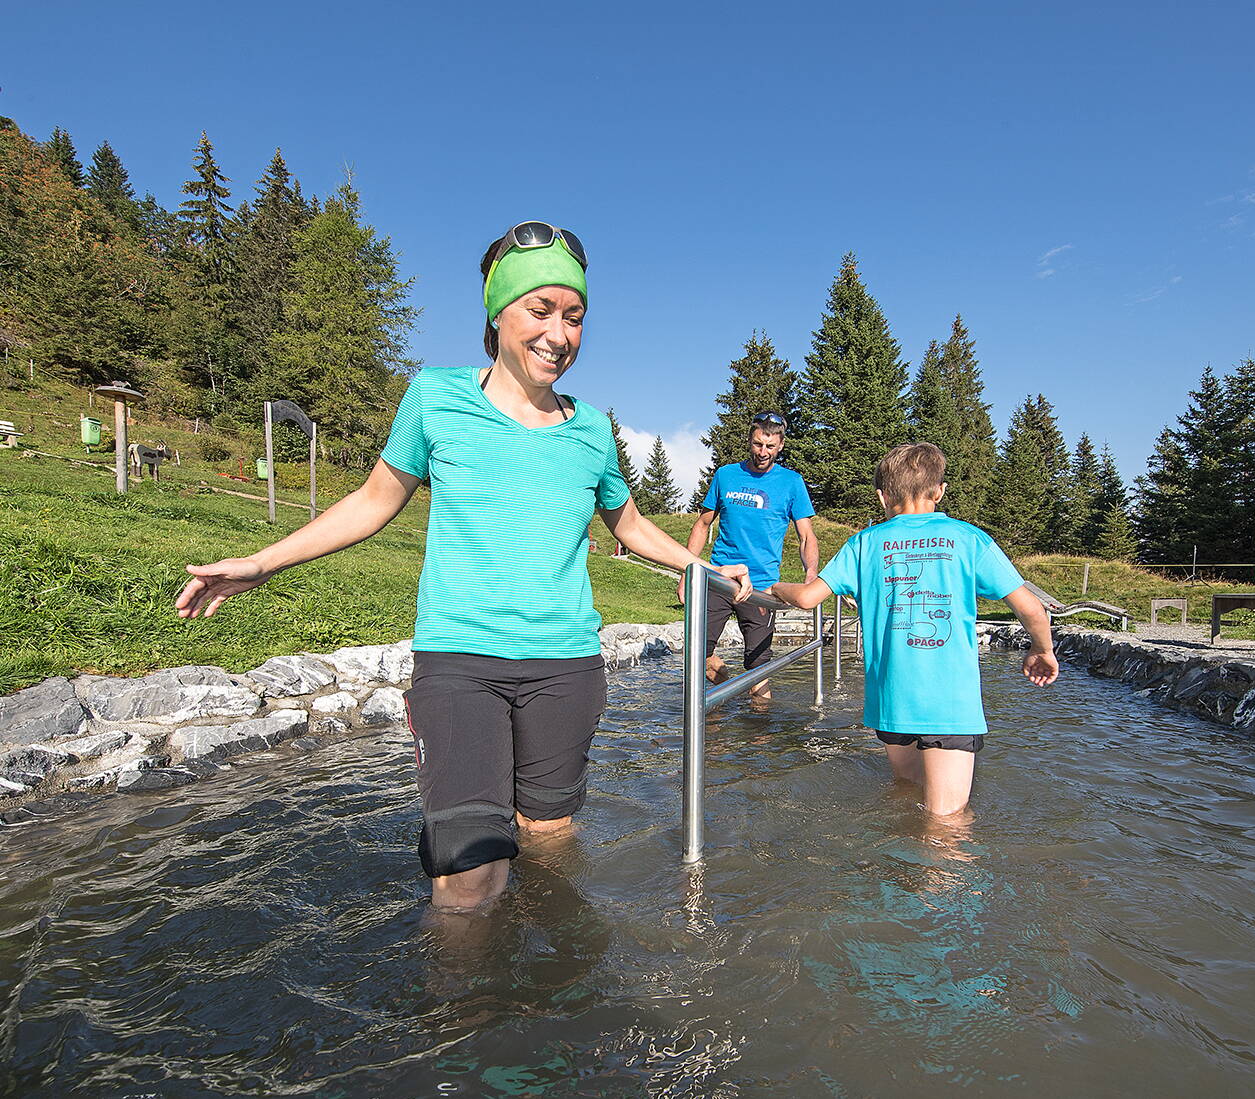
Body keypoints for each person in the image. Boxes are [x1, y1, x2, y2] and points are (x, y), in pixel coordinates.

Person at [174, 220, 753, 911]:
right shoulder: (436, 397)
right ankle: (465, 1011)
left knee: (549, 837)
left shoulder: (593, 429)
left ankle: (540, 998)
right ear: (497, 310)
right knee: (469, 871)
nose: (559, 334)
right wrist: (266, 562)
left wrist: (704, 567)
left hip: (565, 666)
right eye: (541, 310)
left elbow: (625, 522)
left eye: (574, 317)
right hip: (459, 661)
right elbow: (372, 501)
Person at [769, 443, 1057, 816]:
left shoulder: (864, 543)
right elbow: (1032, 608)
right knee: (945, 823)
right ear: (939, 491)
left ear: (882, 495)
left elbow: (808, 598)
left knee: (905, 796)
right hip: (949, 703)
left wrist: (774, 587)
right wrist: (1042, 649)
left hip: (891, 700)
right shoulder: (969, 539)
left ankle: (895, 871)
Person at [678, 412, 818, 701]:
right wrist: (686, 573)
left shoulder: (791, 482)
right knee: (697, 655)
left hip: (761, 587)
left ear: (780, 446)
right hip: (719, 578)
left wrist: (811, 575)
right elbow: (703, 524)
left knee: (758, 670)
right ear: (750, 441)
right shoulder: (726, 475)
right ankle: (723, 697)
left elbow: (806, 536)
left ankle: (760, 739)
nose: (762, 452)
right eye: (757, 444)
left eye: (769, 446)